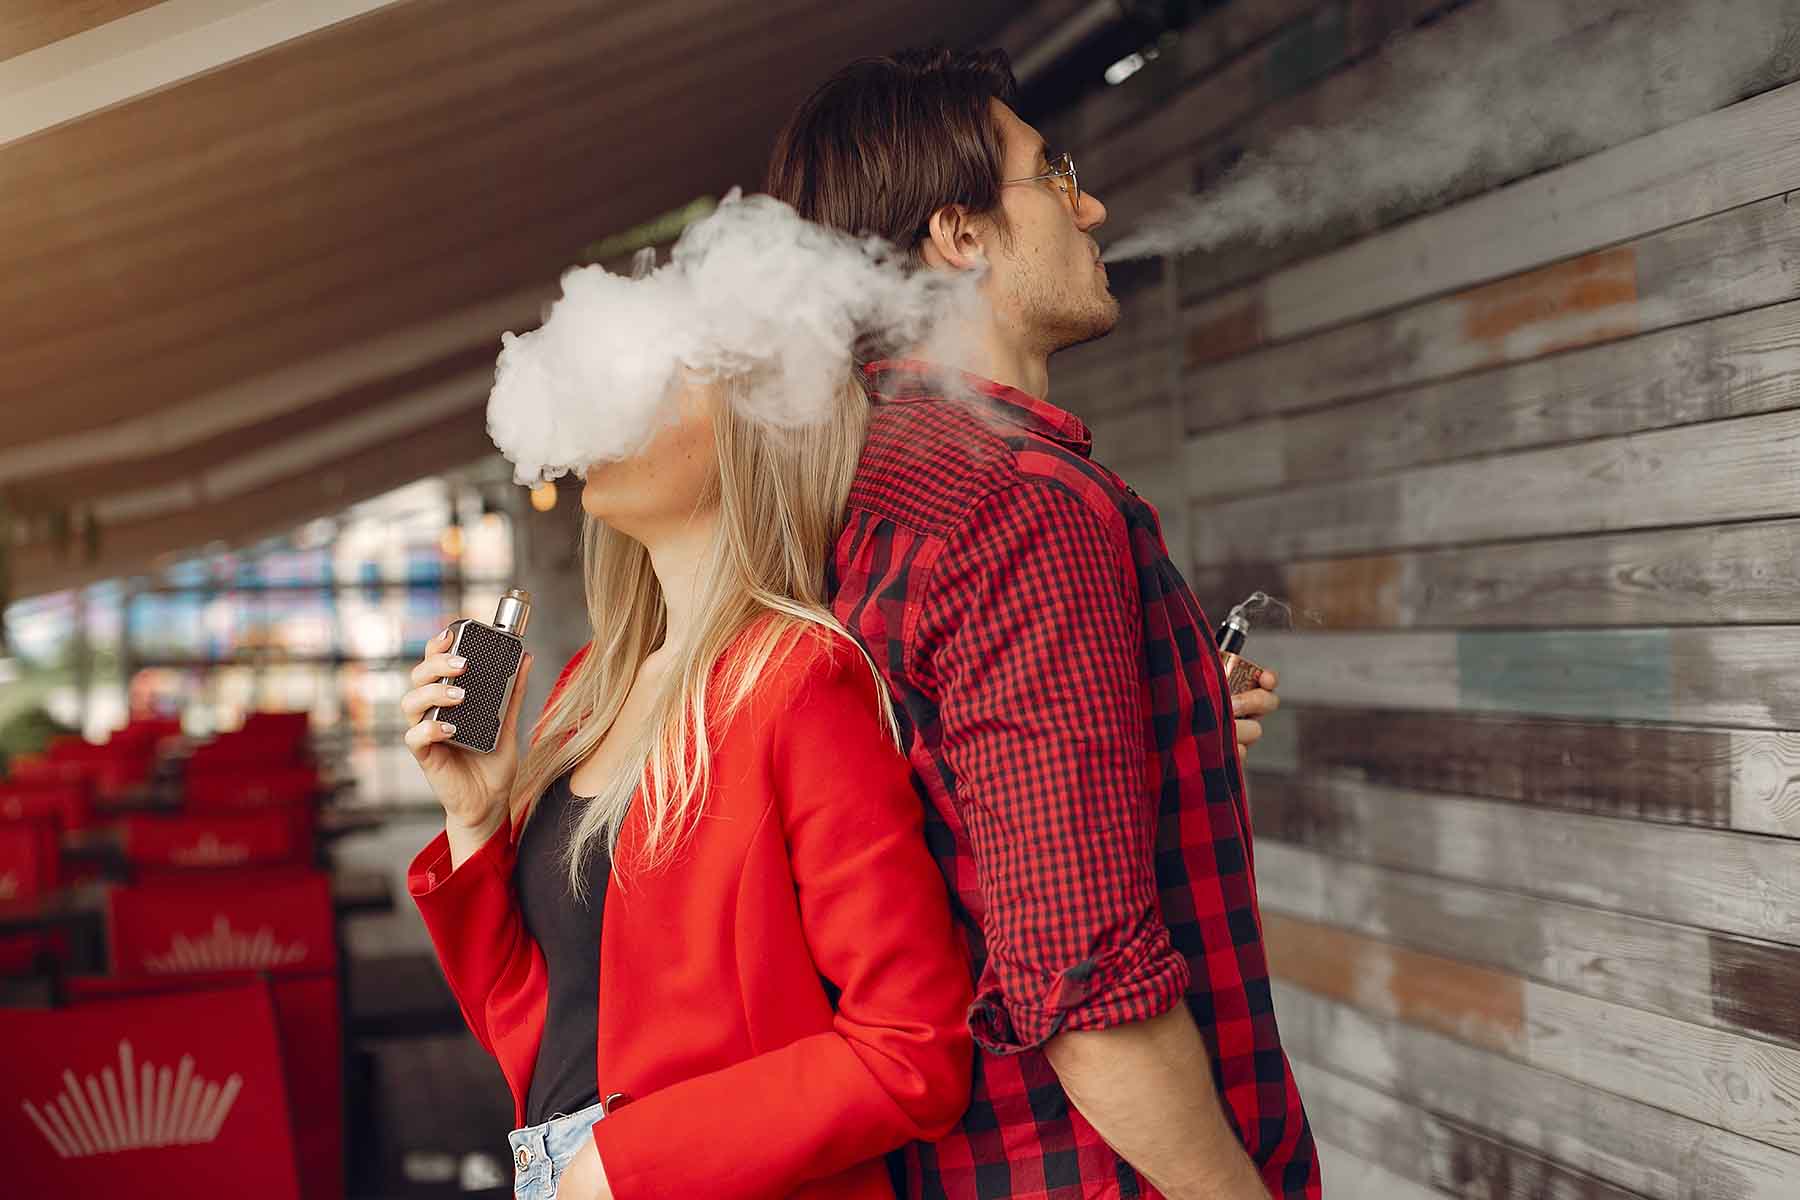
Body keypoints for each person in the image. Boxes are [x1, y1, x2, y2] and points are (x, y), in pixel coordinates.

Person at [765, 48, 1318, 1199]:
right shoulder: (1021, 506)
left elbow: (952, 813)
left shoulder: (851, 482)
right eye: (1052, 175)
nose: (1092, 205)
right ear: (958, 234)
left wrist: (1160, 735)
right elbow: (1083, 983)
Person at [401, 373, 974, 1200]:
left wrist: (622, 1163)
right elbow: (530, 1029)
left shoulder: (801, 679)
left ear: (759, 427)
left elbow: (911, 1050)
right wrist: (476, 816)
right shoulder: (589, 684)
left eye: (669, 376)